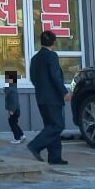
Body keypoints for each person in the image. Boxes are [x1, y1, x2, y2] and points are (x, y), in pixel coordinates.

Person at [27, 30, 70, 165]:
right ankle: (35, 145)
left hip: (41, 97)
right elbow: (55, 76)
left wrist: (42, 89)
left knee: (50, 127)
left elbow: (33, 78)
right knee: (58, 125)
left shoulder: (35, 58)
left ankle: (54, 157)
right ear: (54, 42)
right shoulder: (51, 56)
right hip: (53, 98)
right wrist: (64, 92)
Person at [4, 70, 25, 141]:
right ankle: (22, 135)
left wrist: (11, 110)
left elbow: (13, 101)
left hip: (14, 109)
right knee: (14, 123)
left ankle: (17, 139)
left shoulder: (12, 90)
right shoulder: (12, 88)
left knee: (12, 123)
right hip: (15, 109)